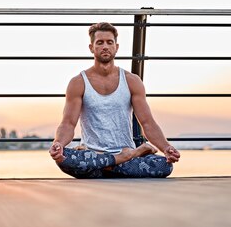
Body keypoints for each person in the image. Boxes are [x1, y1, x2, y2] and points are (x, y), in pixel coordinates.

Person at [48, 22, 180, 178]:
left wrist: (166, 148)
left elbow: (147, 123)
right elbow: (68, 123)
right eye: (100, 42)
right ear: (91, 48)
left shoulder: (132, 81)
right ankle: (125, 158)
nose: (105, 46)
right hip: (96, 153)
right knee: (64, 158)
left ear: (116, 47)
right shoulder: (78, 82)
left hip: (102, 158)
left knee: (165, 166)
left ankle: (104, 166)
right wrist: (59, 144)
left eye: (109, 42)